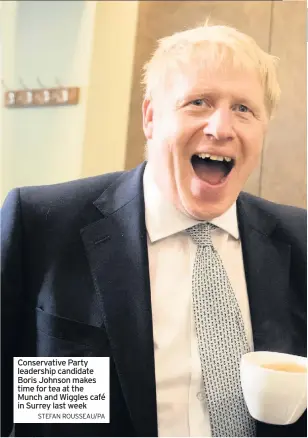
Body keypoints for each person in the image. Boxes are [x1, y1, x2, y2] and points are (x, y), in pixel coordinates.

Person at [1, 22, 306, 438]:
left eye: (243, 109)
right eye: (198, 102)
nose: (221, 128)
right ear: (151, 117)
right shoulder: (42, 224)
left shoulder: (300, 240)